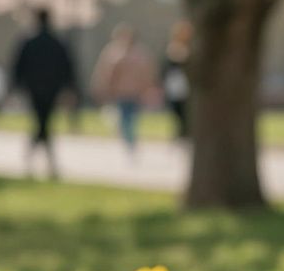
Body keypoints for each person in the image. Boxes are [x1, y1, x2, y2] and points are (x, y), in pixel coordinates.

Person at [10, 9, 79, 179]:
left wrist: (16, 86)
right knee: (44, 122)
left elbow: (18, 66)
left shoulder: (29, 42)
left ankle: (34, 156)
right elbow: (68, 66)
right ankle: (47, 161)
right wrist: (70, 87)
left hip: (34, 88)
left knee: (42, 122)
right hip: (52, 88)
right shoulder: (58, 42)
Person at [92, 24, 158, 159]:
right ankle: (129, 142)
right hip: (119, 93)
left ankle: (131, 142)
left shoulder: (140, 54)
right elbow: (104, 73)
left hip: (135, 93)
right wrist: (103, 88)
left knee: (130, 119)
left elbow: (148, 73)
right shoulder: (112, 52)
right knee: (124, 119)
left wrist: (148, 89)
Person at [162, 20, 193, 141]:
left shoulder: (190, 47)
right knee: (176, 108)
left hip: (186, 82)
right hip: (175, 83)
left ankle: (185, 131)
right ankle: (180, 131)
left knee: (186, 108)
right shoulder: (172, 47)